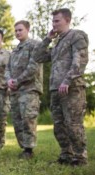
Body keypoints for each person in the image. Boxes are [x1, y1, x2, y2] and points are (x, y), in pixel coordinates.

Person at [33, 8, 89, 166]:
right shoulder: (58, 43)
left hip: (71, 88)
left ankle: (80, 158)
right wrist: (47, 39)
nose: (53, 24)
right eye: (53, 21)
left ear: (67, 20)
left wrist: (67, 80)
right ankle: (66, 155)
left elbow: (80, 61)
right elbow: (38, 56)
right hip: (56, 89)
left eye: (57, 21)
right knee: (59, 125)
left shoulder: (76, 36)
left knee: (73, 124)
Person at [5, 20, 43, 159]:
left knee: (28, 118)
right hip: (15, 91)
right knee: (17, 120)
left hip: (29, 88)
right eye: (15, 30)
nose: (17, 32)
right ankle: (23, 147)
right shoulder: (14, 50)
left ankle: (29, 149)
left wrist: (17, 80)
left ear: (27, 30)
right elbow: (7, 68)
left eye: (20, 30)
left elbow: (33, 67)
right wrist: (9, 80)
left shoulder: (35, 45)